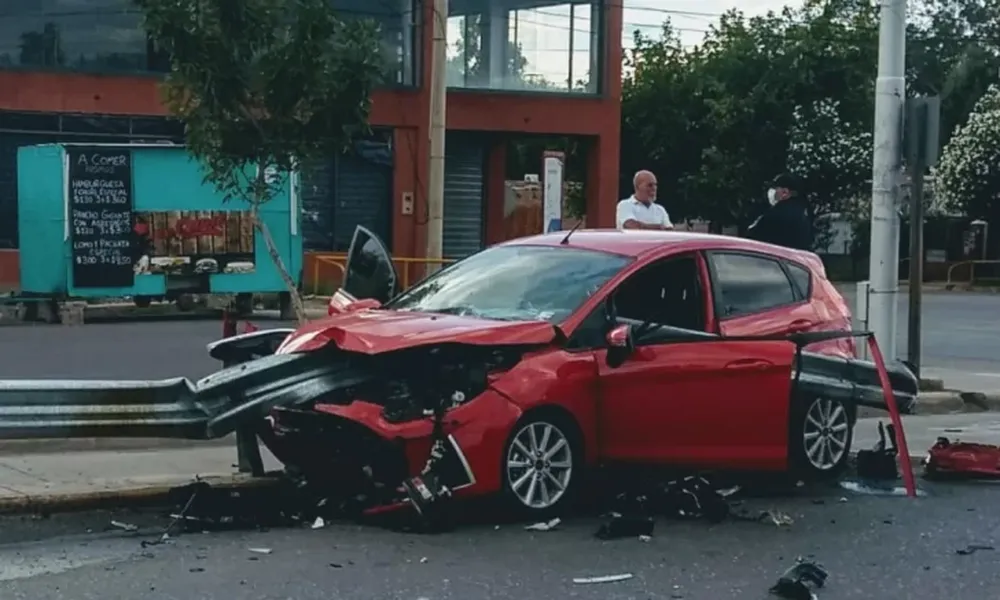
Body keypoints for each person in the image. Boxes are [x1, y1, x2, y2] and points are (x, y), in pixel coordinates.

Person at [746, 173, 812, 250]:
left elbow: (751, 235)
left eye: (775, 188)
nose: (772, 192)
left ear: (785, 192)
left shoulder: (775, 214)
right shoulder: (803, 215)